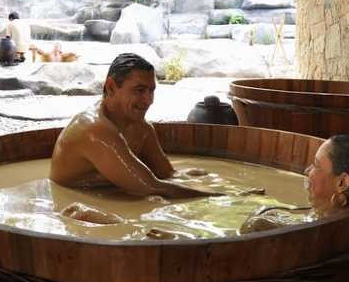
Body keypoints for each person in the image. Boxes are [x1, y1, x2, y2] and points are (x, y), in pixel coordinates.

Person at [50, 53, 221, 198]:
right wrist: (217, 199)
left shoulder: (142, 129)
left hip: (110, 196)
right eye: (139, 90)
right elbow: (151, 187)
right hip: (74, 201)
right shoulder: (94, 130)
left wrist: (208, 182)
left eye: (151, 91)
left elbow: (168, 175)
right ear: (111, 87)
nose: (148, 100)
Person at [240, 134, 349, 233]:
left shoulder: (319, 236)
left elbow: (251, 229)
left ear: (342, 183)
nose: (307, 171)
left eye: (316, 165)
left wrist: (258, 220)